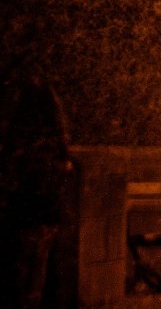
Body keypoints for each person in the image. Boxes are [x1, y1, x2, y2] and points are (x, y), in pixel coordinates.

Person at [0, 72, 73, 309]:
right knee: (40, 261)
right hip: (43, 205)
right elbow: (63, 160)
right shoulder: (52, 135)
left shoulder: (20, 131)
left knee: (24, 261)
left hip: (27, 204)